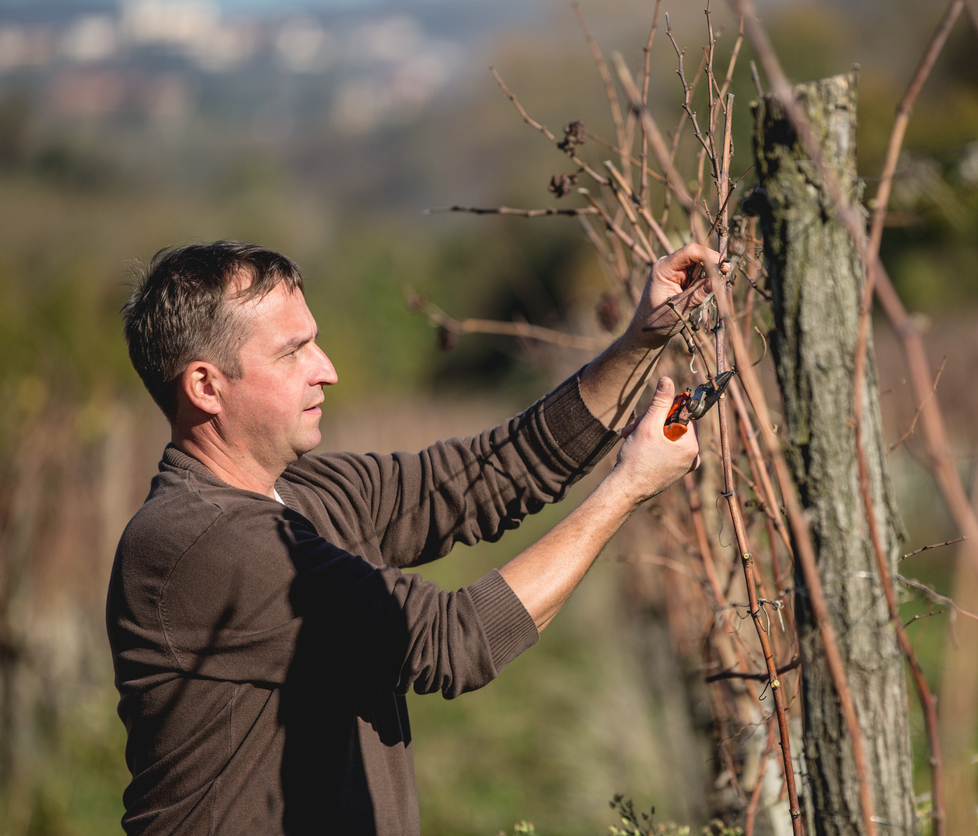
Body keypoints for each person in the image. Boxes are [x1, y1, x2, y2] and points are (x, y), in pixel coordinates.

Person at [106, 239, 717, 834]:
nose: (328, 370)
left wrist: (644, 337)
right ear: (206, 387)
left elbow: (500, 470)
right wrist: (623, 492)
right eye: (293, 352)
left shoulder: (306, 492)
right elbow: (454, 639)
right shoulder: (201, 541)